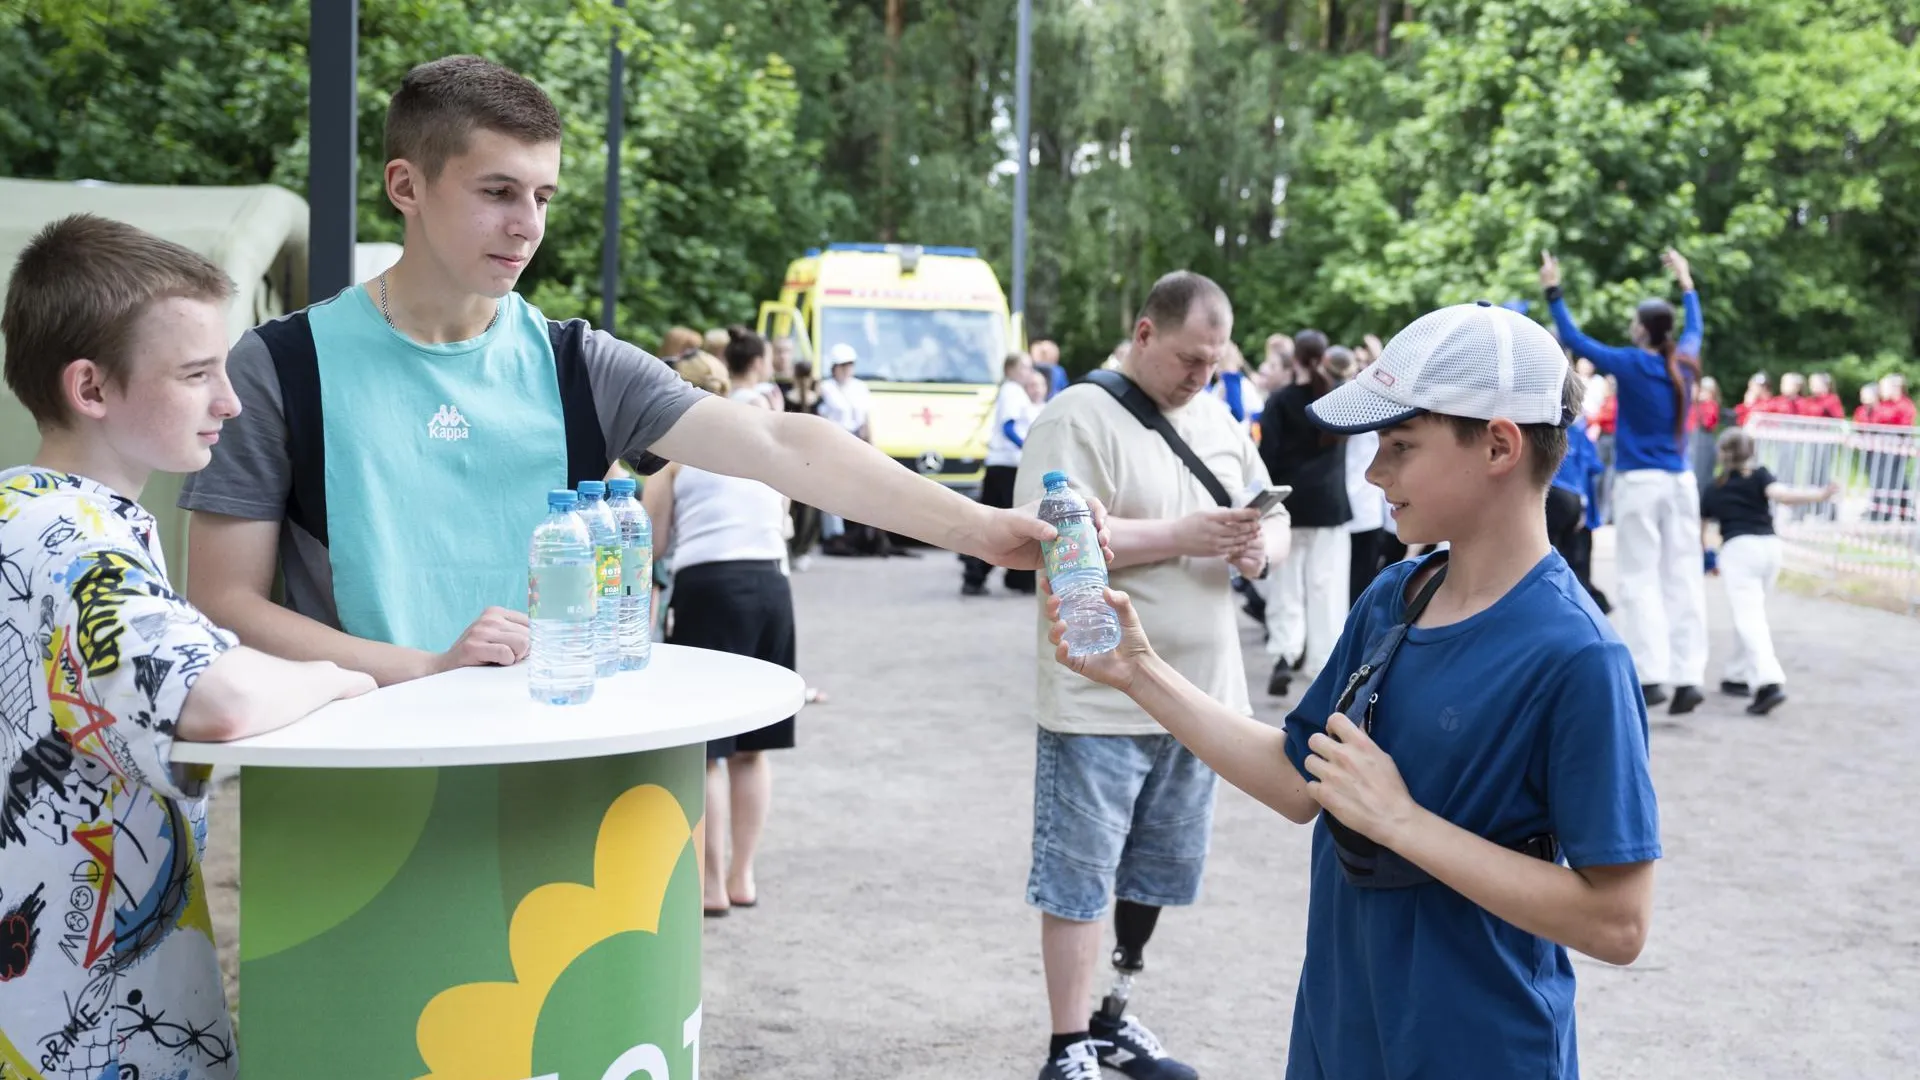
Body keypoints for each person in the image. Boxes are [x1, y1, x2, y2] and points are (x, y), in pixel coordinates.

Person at [178, 56, 1065, 695]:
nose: (527, 224)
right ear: (404, 186)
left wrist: (979, 527)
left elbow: (777, 441)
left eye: (544, 196)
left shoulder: (576, 362)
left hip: (550, 767)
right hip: (357, 792)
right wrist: (426, 671)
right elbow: (223, 599)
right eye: (497, 191)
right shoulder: (281, 363)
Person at [1045, 300, 1659, 1080]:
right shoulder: (1397, 596)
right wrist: (1140, 671)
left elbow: (1618, 922)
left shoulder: (1578, 655)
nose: (1373, 472)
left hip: (1483, 1050)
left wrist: (1404, 824)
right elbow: (1300, 779)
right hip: (1340, 1032)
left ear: (1499, 444)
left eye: (1400, 446)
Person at [1, 214, 377, 1078]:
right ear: (91, 388)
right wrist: (336, 674)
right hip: (91, 1022)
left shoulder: (18, 512)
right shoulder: (80, 545)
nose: (231, 402)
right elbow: (219, 700)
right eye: (197, 374)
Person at [1014, 271, 1285, 1080]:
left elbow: (1273, 528)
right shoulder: (1078, 416)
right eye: (1187, 359)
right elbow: (1042, 541)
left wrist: (1256, 547)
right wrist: (1185, 534)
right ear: (1142, 334)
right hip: (1099, 693)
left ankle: (1114, 1017)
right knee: (1078, 875)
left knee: (1158, 869)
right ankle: (1068, 1049)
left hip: (1199, 699)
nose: (1201, 376)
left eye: (1213, 362)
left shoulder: (1218, 419)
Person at [643, 351, 798, 915]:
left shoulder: (674, 454)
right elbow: (781, 516)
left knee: (707, 750)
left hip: (708, 586)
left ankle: (708, 886)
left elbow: (654, 542)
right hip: (770, 585)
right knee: (755, 747)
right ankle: (742, 875)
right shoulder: (757, 438)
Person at [1544, 247, 1709, 713]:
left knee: (1639, 576)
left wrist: (1553, 289)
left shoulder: (1632, 363)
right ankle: (1689, 673)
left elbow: (1574, 337)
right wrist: (1686, 281)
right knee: (1682, 575)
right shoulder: (1686, 360)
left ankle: (1652, 672)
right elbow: (1696, 326)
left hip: (1640, 483)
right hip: (1680, 483)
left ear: (1641, 329)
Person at [1700, 427, 1835, 716]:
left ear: (1722, 454)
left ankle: (1768, 681)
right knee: (1750, 613)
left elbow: (1700, 528)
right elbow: (1783, 495)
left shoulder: (1714, 487)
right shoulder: (1761, 475)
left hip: (1739, 549)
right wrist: (1820, 495)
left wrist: (1706, 559)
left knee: (1748, 616)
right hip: (1770, 548)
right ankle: (1737, 675)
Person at [1258, 330, 1352, 697]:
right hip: (1329, 506)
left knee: (1286, 587)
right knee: (1326, 590)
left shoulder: (1280, 402)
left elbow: (1266, 458)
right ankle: (1323, 664)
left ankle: (1284, 653)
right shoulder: (1338, 400)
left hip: (1290, 507)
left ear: (1294, 359)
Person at [964, 351, 1040, 595]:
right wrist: (1027, 447)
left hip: (1004, 463)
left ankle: (985, 574)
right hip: (1007, 464)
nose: (1028, 372)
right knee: (1014, 523)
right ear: (1010, 370)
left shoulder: (1015, 392)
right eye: (1024, 367)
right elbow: (1009, 427)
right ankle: (987, 573)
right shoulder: (1012, 391)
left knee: (996, 521)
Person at [1328, 346, 1389, 604]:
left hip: (1351, 504)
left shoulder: (1340, 401)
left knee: (1345, 578)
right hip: (1363, 504)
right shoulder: (1360, 404)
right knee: (1359, 580)